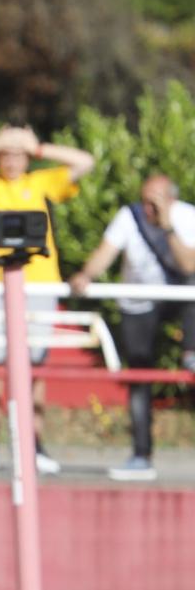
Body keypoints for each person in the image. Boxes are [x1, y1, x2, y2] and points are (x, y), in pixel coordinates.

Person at [0, 124, 96, 476]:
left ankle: (34, 446)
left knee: (35, 367)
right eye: (6, 154)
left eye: (17, 154)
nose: (11, 160)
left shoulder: (40, 183)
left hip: (39, 286)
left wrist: (39, 147)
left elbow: (85, 162)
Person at [68, 172, 195, 481]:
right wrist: (85, 276)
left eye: (156, 201)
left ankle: (192, 351)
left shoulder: (187, 216)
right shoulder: (129, 217)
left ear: (172, 199)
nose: (148, 208)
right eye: (146, 200)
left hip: (178, 296)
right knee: (139, 374)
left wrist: (166, 226)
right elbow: (105, 253)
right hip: (137, 302)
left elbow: (190, 266)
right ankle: (141, 455)